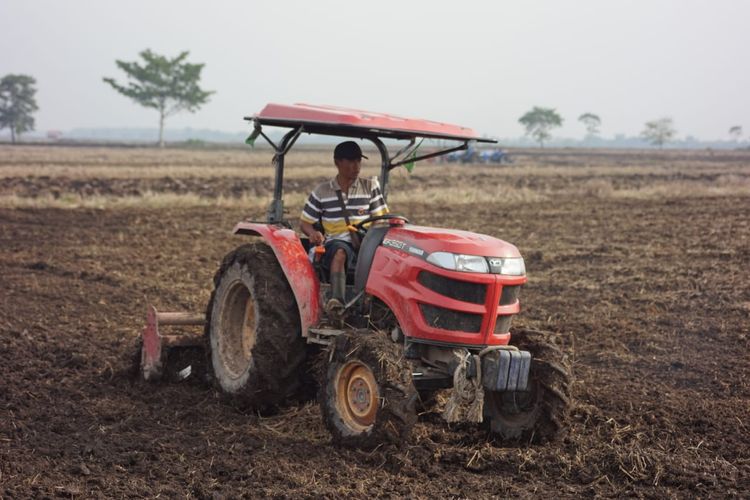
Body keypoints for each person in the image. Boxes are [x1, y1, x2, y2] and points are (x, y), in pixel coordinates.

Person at [300, 141, 388, 311]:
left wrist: (371, 237)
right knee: (340, 251)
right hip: (334, 242)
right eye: (351, 161)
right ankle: (337, 302)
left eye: (359, 161)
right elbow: (305, 223)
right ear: (337, 162)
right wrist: (313, 233)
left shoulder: (370, 187)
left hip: (365, 242)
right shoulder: (322, 191)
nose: (357, 166)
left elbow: (381, 220)